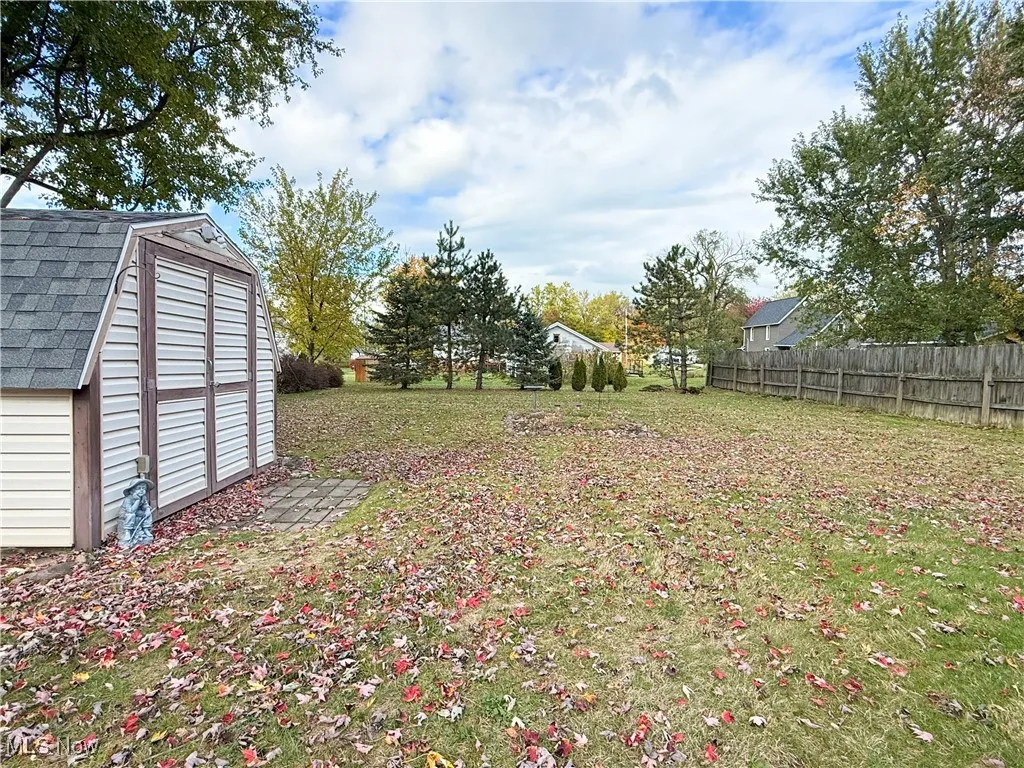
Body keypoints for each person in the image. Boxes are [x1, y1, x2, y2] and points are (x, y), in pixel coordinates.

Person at [119, 478, 155, 548]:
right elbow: (130, 510)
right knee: (131, 515)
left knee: (148, 514)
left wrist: (147, 510)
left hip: (137, 512)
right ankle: (127, 532)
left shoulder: (143, 497)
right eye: (139, 488)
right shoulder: (128, 499)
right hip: (126, 513)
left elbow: (145, 505)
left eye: (143, 488)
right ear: (133, 490)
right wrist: (137, 500)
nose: (142, 490)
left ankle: (146, 528)